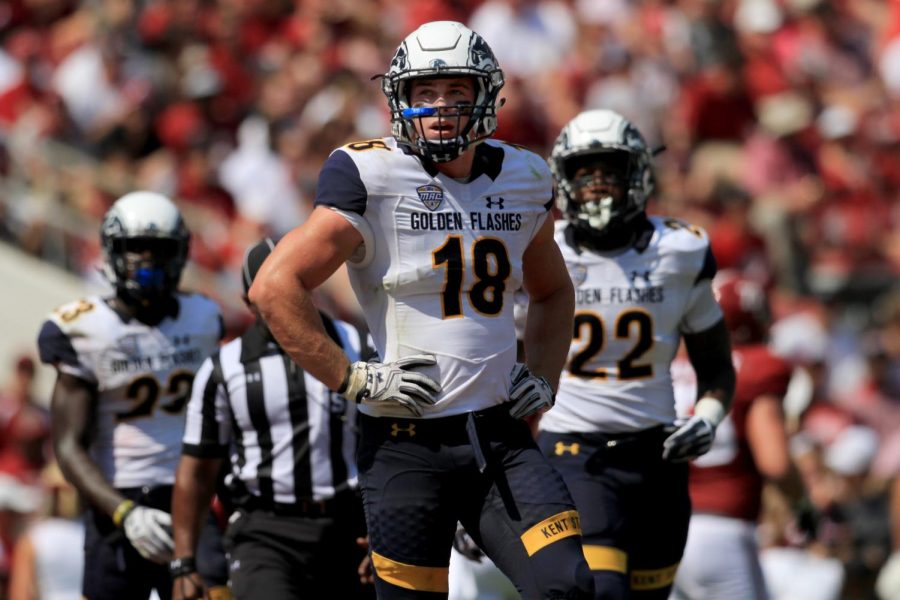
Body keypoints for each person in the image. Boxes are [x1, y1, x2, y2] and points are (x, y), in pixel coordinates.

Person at [249, 20, 595, 600]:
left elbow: (553, 291)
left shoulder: (524, 177)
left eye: (456, 92)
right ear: (398, 101)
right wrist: (351, 377)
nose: (439, 108)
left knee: (567, 585)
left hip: (499, 438)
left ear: (485, 96)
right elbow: (273, 286)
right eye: (423, 94)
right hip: (405, 443)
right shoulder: (370, 173)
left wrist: (544, 376)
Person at [537, 109, 736, 599]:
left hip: (657, 457)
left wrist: (707, 419)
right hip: (574, 453)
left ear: (639, 175)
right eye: (585, 172)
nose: (597, 184)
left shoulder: (679, 250)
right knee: (604, 593)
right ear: (563, 179)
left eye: (610, 170)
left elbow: (716, 367)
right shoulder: (541, 249)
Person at [36, 192, 230, 600]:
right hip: (117, 501)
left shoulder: (202, 318)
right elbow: (68, 447)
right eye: (135, 248)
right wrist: (124, 514)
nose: (148, 261)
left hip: (189, 495)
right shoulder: (84, 330)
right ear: (112, 251)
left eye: (159, 249)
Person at [171, 238, 373, 600]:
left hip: (349, 526)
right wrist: (184, 561)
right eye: (270, 294)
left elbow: (393, 445)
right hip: (265, 531)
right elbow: (196, 469)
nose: (283, 302)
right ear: (249, 300)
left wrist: (387, 530)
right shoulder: (223, 368)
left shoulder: (359, 345)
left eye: (293, 288)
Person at [670, 271, 800, 599]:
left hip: (658, 529)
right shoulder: (757, 366)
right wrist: (803, 502)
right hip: (721, 530)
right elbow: (776, 463)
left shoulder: (669, 366)